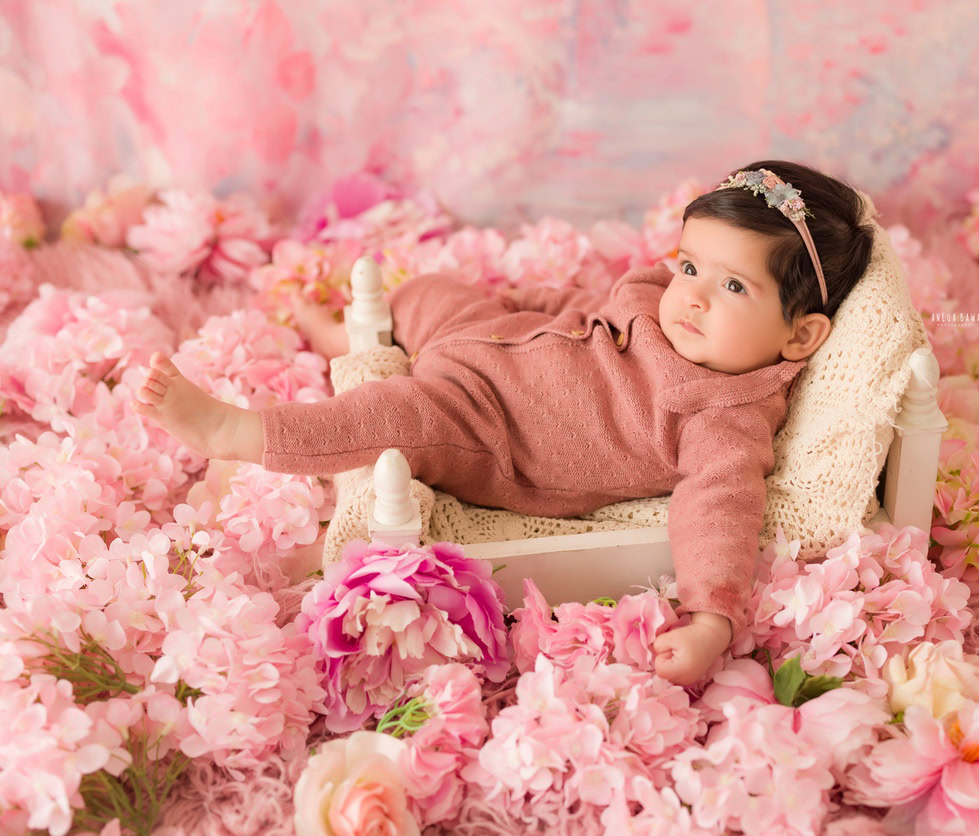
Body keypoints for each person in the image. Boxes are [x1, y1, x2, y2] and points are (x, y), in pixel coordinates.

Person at [132, 160, 876, 686]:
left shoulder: (723, 412)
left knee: (384, 418)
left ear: (801, 336)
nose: (693, 295)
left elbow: (719, 508)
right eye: (690, 267)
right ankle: (353, 339)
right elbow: (595, 313)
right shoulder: (675, 307)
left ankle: (238, 431)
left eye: (733, 285)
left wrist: (711, 613)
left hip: (491, 428)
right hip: (500, 337)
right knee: (429, 290)